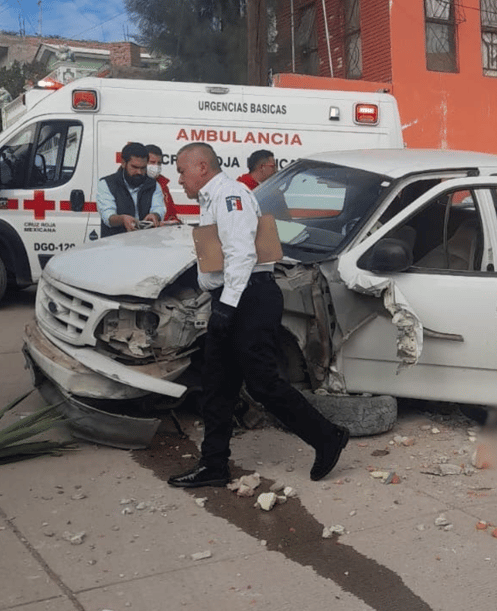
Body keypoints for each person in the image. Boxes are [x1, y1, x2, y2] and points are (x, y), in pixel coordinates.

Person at [168, 142, 349, 488]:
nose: (179, 178)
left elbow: (241, 255)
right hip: (235, 295)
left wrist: (226, 307)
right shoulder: (213, 199)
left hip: (248, 297)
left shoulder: (230, 196)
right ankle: (214, 464)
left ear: (201, 167)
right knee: (218, 386)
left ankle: (327, 437)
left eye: (182, 170)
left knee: (263, 383)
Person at [96, 142, 165, 237]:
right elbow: (108, 216)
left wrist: (155, 215)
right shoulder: (107, 184)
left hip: (146, 244)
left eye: (143, 168)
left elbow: (159, 208)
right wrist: (123, 219)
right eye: (135, 167)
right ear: (123, 163)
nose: (139, 172)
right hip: (115, 244)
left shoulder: (154, 185)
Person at [145, 144, 182, 224]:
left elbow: (171, 213)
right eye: (152, 162)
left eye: (159, 163)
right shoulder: (132, 184)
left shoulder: (163, 186)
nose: (156, 166)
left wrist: (173, 222)